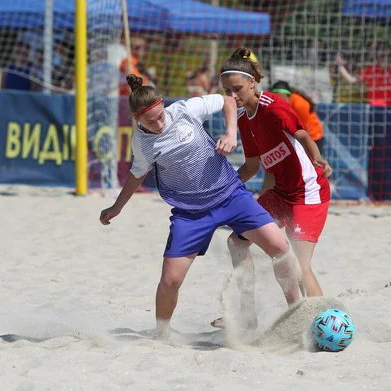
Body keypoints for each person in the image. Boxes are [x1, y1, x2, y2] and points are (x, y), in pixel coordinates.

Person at [99, 74, 303, 340]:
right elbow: (137, 174)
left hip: (231, 196)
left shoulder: (183, 110)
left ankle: (297, 312)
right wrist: (117, 206)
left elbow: (228, 101)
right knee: (171, 281)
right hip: (190, 212)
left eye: (161, 115)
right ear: (137, 120)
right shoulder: (142, 143)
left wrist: (231, 134)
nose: (160, 123)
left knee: (280, 248)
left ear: (163, 106)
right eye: (151, 121)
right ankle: (161, 334)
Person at [211, 48, 332, 329]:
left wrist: (316, 156)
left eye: (237, 89)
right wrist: (220, 191)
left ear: (253, 81)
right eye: (227, 92)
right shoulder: (242, 120)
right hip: (280, 193)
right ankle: (247, 314)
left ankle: (318, 325)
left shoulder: (273, 106)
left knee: (299, 267)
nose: (233, 97)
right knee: (236, 241)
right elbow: (252, 167)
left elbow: (302, 133)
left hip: (308, 193)